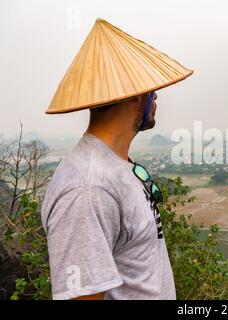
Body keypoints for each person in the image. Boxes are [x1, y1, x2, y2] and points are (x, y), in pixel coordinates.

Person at [41, 18, 193, 300]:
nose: (156, 97)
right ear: (135, 96)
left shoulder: (116, 165)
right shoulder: (87, 188)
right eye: (151, 89)